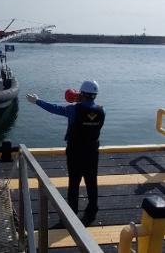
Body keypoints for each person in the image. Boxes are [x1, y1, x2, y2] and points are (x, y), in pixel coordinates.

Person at [26, 80, 105, 226]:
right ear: (95, 95)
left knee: (74, 184)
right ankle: (91, 213)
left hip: (75, 152)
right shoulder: (101, 111)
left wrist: (37, 101)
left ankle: (71, 214)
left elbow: (55, 108)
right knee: (91, 183)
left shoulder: (73, 110)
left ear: (82, 94)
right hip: (92, 153)